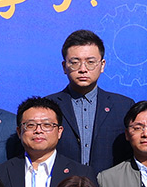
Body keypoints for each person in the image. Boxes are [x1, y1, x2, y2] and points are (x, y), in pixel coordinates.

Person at [49, 30, 132, 172]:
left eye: (90, 62)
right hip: (62, 184)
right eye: (75, 62)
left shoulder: (123, 106)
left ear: (102, 65)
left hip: (109, 184)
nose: (83, 69)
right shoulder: (48, 106)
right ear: (64, 66)